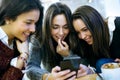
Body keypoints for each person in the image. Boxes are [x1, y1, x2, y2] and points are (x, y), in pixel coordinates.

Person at [26, 2, 94, 80]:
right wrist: (48, 77)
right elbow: (30, 68)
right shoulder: (39, 37)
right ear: (48, 26)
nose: (61, 33)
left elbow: (86, 66)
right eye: (55, 27)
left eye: (66, 27)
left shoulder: (76, 35)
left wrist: (68, 55)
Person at [0, 0, 43, 80]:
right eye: (28, 22)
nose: (33, 29)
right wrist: (23, 56)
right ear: (8, 19)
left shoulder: (19, 42)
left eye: (35, 23)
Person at [72, 5, 120, 73]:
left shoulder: (117, 24)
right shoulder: (86, 42)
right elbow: (92, 64)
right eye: (78, 32)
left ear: (95, 23)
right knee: (101, 63)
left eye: (85, 29)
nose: (82, 36)